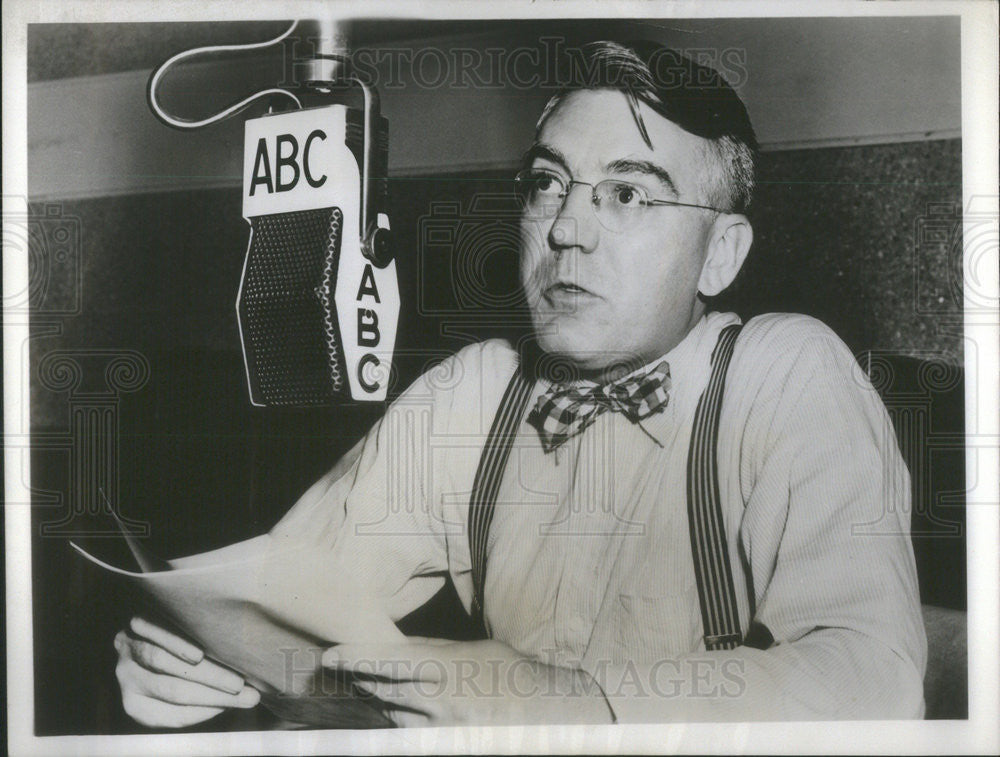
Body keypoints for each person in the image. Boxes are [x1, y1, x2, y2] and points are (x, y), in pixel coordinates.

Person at [114, 40, 926, 727]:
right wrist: (185, 650)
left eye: (627, 192)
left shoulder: (784, 371)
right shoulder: (476, 388)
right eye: (548, 182)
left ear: (721, 253)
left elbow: (874, 680)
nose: (566, 229)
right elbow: (284, 597)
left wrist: (571, 701)